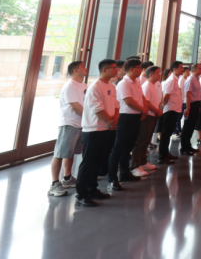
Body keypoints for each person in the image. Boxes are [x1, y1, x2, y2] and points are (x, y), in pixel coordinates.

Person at [74, 59, 118, 207]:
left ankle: (92, 189)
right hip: (94, 129)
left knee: (99, 161)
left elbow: (116, 105)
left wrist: (114, 121)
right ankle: (81, 194)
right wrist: (110, 122)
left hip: (107, 129)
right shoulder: (95, 87)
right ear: (104, 70)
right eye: (113, 68)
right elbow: (97, 109)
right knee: (89, 162)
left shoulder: (111, 86)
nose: (117, 70)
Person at [48, 61, 88, 197]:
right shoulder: (70, 85)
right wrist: (89, 118)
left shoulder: (83, 85)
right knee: (60, 154)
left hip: (80, 124)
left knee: (69, 153)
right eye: (83, 67)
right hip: (69, 124)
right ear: (76, 70)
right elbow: (75, 106)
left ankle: (67, 178)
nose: (86, 69)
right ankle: (54, 184)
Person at [107, 59, 147, 192]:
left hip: (136, 116)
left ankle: (125, 173)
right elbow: (128, 101)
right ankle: (112, 179)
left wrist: (143, 110)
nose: (141, 70)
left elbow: (142, 97)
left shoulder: (137, 82)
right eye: (139, 67)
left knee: (128, 147)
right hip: (125, 117)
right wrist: (143, 110)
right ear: (131, 69)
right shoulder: (124, 83)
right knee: (118, 148)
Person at [131, 65, 162, 175]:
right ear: (151, 75)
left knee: (146, 140)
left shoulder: (153, 85)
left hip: (153, 116)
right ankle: (135, 165)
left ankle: (143, 161)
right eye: (158, 73)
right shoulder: (147, 86)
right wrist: (157, 110)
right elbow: (147, 103)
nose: (160, 75)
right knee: (141, 141)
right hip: (147, 116)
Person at [158, 62, 183, 164]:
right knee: (165, 134)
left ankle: (166, 152)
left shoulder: (175, 79)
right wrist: (162, 107)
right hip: (170, 110)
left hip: (174, 109)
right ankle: (162, 156)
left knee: (168, 133)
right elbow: (166, 95)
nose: (182, 69)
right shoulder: (171, 80)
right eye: (181, 68)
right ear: (174, 69)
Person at [180, 64, 201, 155]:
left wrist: (199, 105)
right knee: (187, 126)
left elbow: (198, 93)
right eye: (200, 68)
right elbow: (187, 94)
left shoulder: (197, 79)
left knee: (192, 126)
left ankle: (188, 145)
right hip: (191, 105)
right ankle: (184, 148)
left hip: (196, 104)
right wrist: (188, 108)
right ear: (194, 70)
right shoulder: (190, 80)